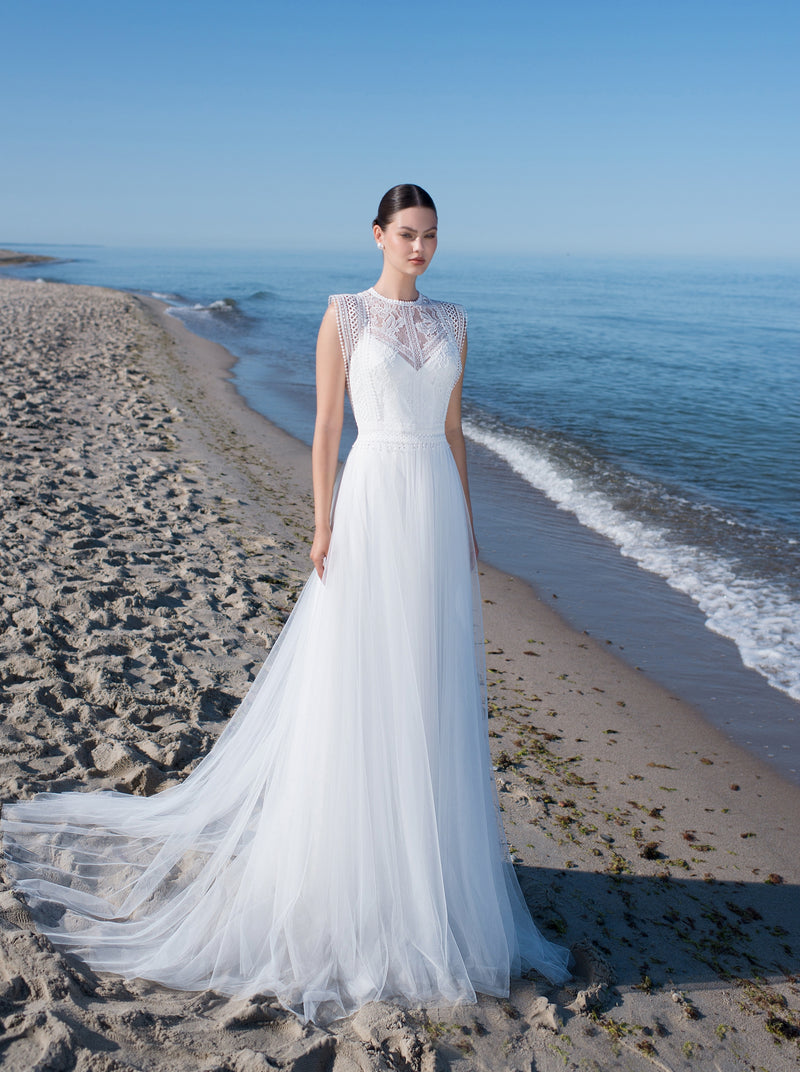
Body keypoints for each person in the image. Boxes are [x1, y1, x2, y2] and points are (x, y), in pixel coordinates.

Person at [0, 185, 572, 1024]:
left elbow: (452, 432)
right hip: (374, 500)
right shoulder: (344, 314)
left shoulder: (452, 322)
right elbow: (329, 426)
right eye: (407, 235)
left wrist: (470, 524)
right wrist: (322, 522)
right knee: (363, 679)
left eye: (432, 237)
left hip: (438, 518)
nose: (420, 248)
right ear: (378, 235)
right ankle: (354, 866)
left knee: (430, 683)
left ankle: (429, 876)